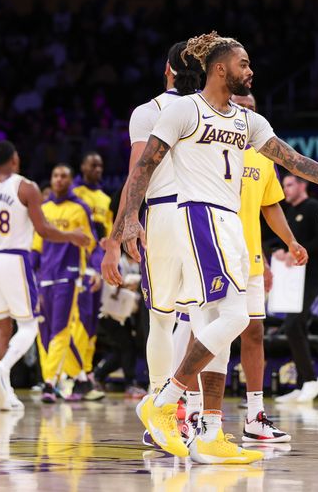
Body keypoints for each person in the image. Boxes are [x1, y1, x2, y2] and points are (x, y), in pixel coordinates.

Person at [106, 31, 318, 464]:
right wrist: (127, 219)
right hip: (197, 215)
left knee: (215, 327)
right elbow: (144, 165)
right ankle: (164, 399)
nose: (250, 71)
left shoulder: (248, 120)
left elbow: (295, 162)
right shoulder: (184, 109)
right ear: (220, 68)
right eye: (244, 64)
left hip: (231, 223)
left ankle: (210, 432)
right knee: (236, 316)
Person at [103, 40, 203, 447]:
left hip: (164, 215)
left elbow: (137, 175)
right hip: (208, 217)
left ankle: (164, 405)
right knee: (207, 319)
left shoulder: (148, 112)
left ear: (167, 69)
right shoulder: (214, 110)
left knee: (162, 319)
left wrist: (120, 231)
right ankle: (193, 414)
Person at [0, 140, 88, 411]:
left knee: (1, 326)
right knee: (29, 326)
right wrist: (72, 236)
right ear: (14, 159)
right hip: (15, 259)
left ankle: (6, 391)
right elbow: (44, 230)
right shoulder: (26, 187)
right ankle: (2, 366)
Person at [234, 92, 306, 441]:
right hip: (213, 254)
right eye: (240, 106)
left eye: (252, 107)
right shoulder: (209, 147)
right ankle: (192, 409)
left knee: (255, 333)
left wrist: (290, 241)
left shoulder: (265, 157)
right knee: (206, 336)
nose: (246, 113)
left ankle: (254, 416)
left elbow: (270, 207)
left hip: (250, 258)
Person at [32, 164, 97, 403]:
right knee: (46, 332)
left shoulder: (80, 208)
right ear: (51, 179)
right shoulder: (43, 208)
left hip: (68, 277)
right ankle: (80, 378)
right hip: (44, 277)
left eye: (64, 176)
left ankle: (49, 382)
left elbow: (91, 242)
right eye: (55, 175)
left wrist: (96, 270)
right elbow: (35, 247)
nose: (59, 179)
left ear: (70, 180)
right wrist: (28, 273)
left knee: (59, 328)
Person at [273, 174, 318, 404]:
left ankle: (311, 379)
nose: (286, 189)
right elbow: (274, 238)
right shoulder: (285, 212)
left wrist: (297, 252)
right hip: (290, 279)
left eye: (289, 185)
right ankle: (301, 383)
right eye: (284, 185)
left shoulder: (314, 208)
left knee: (293, 324)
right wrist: (278, 250)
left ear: (302, 185)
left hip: (312, 276)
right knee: (297, 326)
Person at [71, 151, 111, 400]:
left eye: (100, 165)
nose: (97, 169)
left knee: (90, 326)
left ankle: (84, 373)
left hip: (94, 267)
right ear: (82, 166)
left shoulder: (104, 199)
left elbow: (104, 240)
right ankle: (73, 377)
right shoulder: (72, 195)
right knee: (74, 325)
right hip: (74, 268)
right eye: (92, 164)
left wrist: (100, 268)